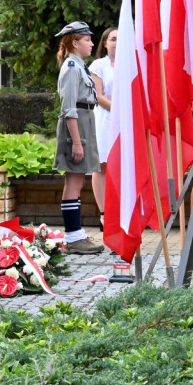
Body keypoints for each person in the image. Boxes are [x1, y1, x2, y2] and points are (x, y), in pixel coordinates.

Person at [53, 21, 105, 255]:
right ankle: (74, 237)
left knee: (77, 179)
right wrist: (76, 141)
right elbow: (69, 108)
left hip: (85, 120)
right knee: (74, 180)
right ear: (75, 42)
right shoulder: (72, 67)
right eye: (87, 39)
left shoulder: (79, 65)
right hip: (77, 124)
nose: (92, 43)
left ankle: (76, 234)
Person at [89, 27, 117, 224]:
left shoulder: (130, 64)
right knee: (102, 165)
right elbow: (98, 96)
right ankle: (104, 213)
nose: (117, 43)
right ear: (105, 43)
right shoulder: (98, 65)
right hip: (106, 118)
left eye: (120, 39)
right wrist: (118, 110)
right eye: (113, 39)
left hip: (126, 121)